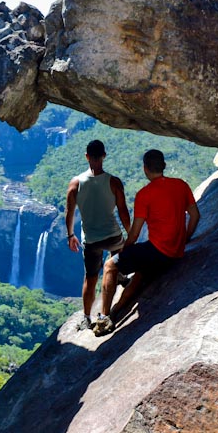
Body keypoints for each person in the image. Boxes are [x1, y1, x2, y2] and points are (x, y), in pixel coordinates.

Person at [93, 149, 201, 336]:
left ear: (145, 169)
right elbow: (195, 215)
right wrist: (184, 239)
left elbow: (134, 234)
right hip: (174, 254)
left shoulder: (145, 194)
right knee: (140, 275)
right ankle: (115, 312)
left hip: (157, 251)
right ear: (163, 166)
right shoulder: (181, 185)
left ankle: (103, 318)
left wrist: (123, 253)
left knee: (111, 265)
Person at [66, 140, 131, 331]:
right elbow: (123, 212)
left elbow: (69, 212)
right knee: (117, 256)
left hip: (91, 240)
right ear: (104, 156)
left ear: (86, 156)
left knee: (90, 278)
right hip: (112, 236)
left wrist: (70, 235)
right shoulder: (114, 182)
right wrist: (131, 235)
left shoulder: (75, 183)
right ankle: (118, 276)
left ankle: (86, 317)